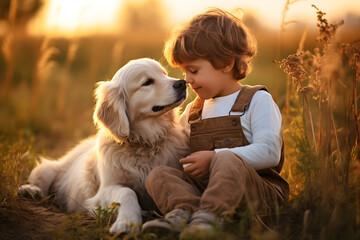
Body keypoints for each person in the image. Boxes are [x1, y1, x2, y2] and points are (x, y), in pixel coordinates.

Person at [142, 8, 289, 236]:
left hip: (257, 193)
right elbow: (175, 150)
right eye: (183, 72)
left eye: (193, 70)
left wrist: (215, 157)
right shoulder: (193, 110)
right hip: (205, 191)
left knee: (229, 159)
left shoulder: (257, 100)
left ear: (226, 63)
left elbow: (270, 152)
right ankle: (182, 213)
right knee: (159, 173)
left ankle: (208, 220)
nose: (187, 80)